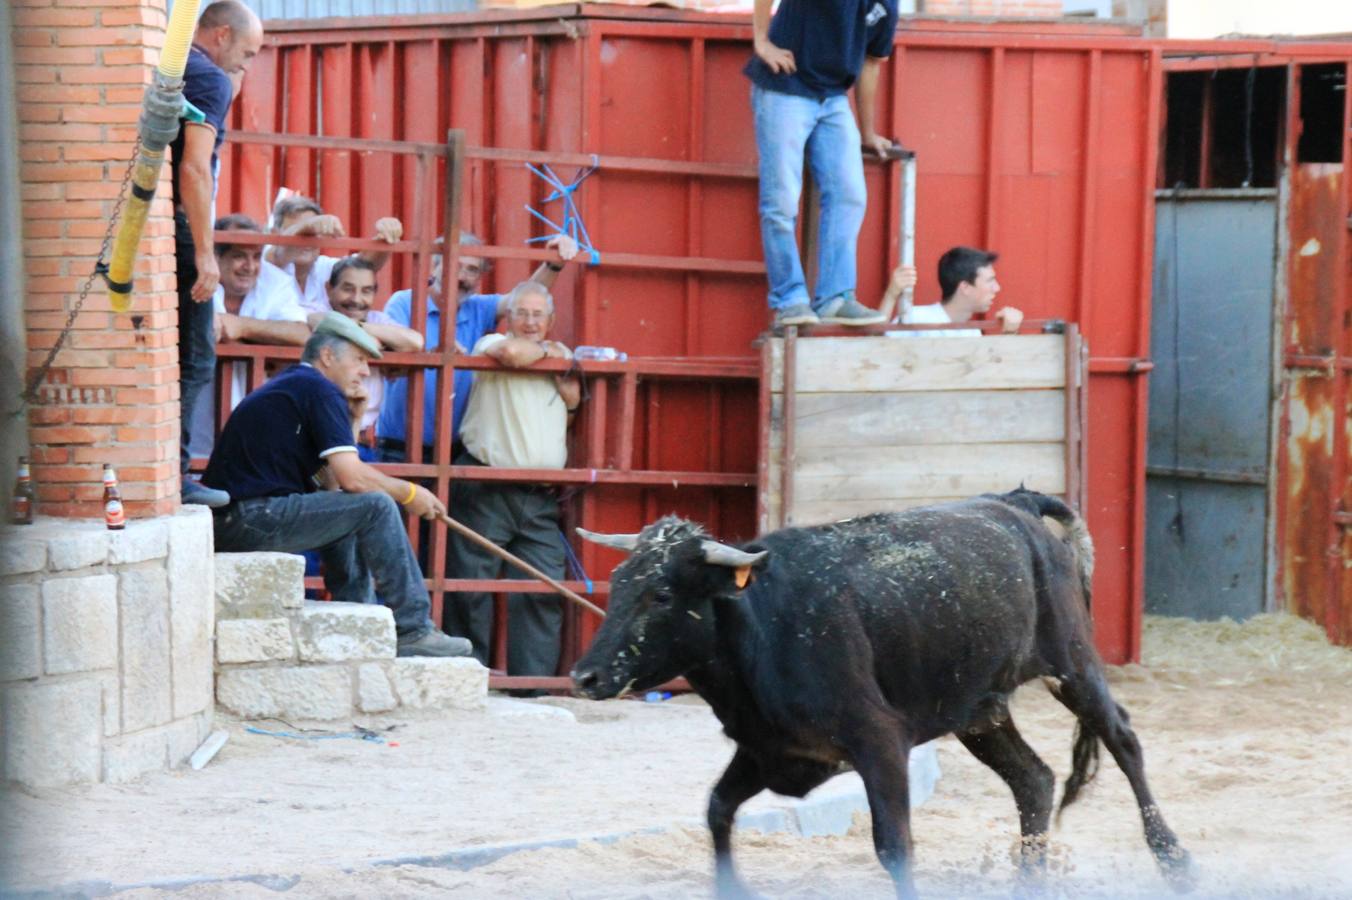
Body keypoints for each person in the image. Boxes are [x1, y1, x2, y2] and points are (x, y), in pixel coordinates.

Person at [202, 313, 471, 658]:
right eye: (358, 360)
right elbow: (354, 478)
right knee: (376, 505)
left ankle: (354, 612)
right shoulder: (318, 388)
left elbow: (333, 487)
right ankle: (414, 627)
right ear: (327, 356)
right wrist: (410, 493)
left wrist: (354, 420)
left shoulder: (302, 385)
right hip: (250, 515)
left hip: (241, 518)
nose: (364, 372)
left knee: (353, 506)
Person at [444, 281, 580, 677]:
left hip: (539, 493)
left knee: (542, 588)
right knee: (470, 587)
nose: (530, 321)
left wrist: (568, 394)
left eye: (539, 314)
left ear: (552, 320)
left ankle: (532, 684)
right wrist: (550, 355)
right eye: (522, 312)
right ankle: (467, 677)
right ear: (508, 318)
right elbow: (510, 353)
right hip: (487, 482)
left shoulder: (562, 355)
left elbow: (568, 411)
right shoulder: (491, 342)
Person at [746, 0, 899, 328]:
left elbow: (871, 63)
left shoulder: (889, 5)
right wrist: (762, 41)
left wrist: (867, 131)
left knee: (849, 195)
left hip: (832, 98)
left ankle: (834, 297)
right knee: (782, 201)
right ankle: (790, 300)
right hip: (784, 87)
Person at [375, 231, 578, 463]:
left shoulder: (478, 308)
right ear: (433, 268)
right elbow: (391, 356)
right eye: (455, 266)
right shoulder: (405, 303)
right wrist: (431, 354)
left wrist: (552, 265)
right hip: (399, 448)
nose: (462, 276)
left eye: (472, 269)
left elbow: (522, 300)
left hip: (456, 451)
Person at [173, 0, 264, 507]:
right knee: (197, 358)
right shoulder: (208, 78)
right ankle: (175, 475)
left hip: (156, 227)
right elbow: (195, 169)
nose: (245, 66)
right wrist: (206, 254)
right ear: (222, 35)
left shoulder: (174, 66)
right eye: (246, 53)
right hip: (183, 230)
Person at [322, 256, 423, 455]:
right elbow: (313, 321)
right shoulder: (316, 313)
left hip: (362, 443)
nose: (357, 299)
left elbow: (415, 342)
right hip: (317, 436)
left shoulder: (376, 320)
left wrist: (356, 328)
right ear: (329, 289)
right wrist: (371, 339)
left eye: (366, 291)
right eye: (348, 289)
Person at [263, 195, 403, 316]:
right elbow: (278, 253)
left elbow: (364, 266)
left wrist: (386, 237)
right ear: (274, 234)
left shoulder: (325, 267)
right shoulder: (264, 262)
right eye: (301, 232)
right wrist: (308, 226)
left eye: (313, 233)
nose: (305, 240)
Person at [883, 246, 1024, 337]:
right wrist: (891, 294)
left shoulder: (972, 333)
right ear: (965, 287)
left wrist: (1010, 334)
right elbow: (877, 352)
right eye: (990, 281)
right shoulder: (915, 318)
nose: (997, 288)